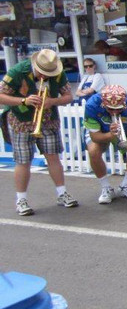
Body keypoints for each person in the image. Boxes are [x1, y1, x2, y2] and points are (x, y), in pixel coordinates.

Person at [0, 48, 78, 215]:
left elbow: (68, 97)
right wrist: (24, 100)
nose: (44, 77)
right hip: (20, 121)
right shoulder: (17, 72)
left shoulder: (57, 73)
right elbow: (1, 96)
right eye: (42, 73)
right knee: (23, 161)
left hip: (48, 121)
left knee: (53, 157)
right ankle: (21, 199)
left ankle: (62, 193)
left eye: (47, 74)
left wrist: (53, 101)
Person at [84, 84, 127, 203]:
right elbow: (95, 137)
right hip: (100, 131)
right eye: (111, 109)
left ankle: (126, 184)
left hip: (126, 130)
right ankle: (106, 187)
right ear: (103, 104)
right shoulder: (91, 105)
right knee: (93, 151)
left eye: (119, 109)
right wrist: (110, 135)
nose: (115, 112)